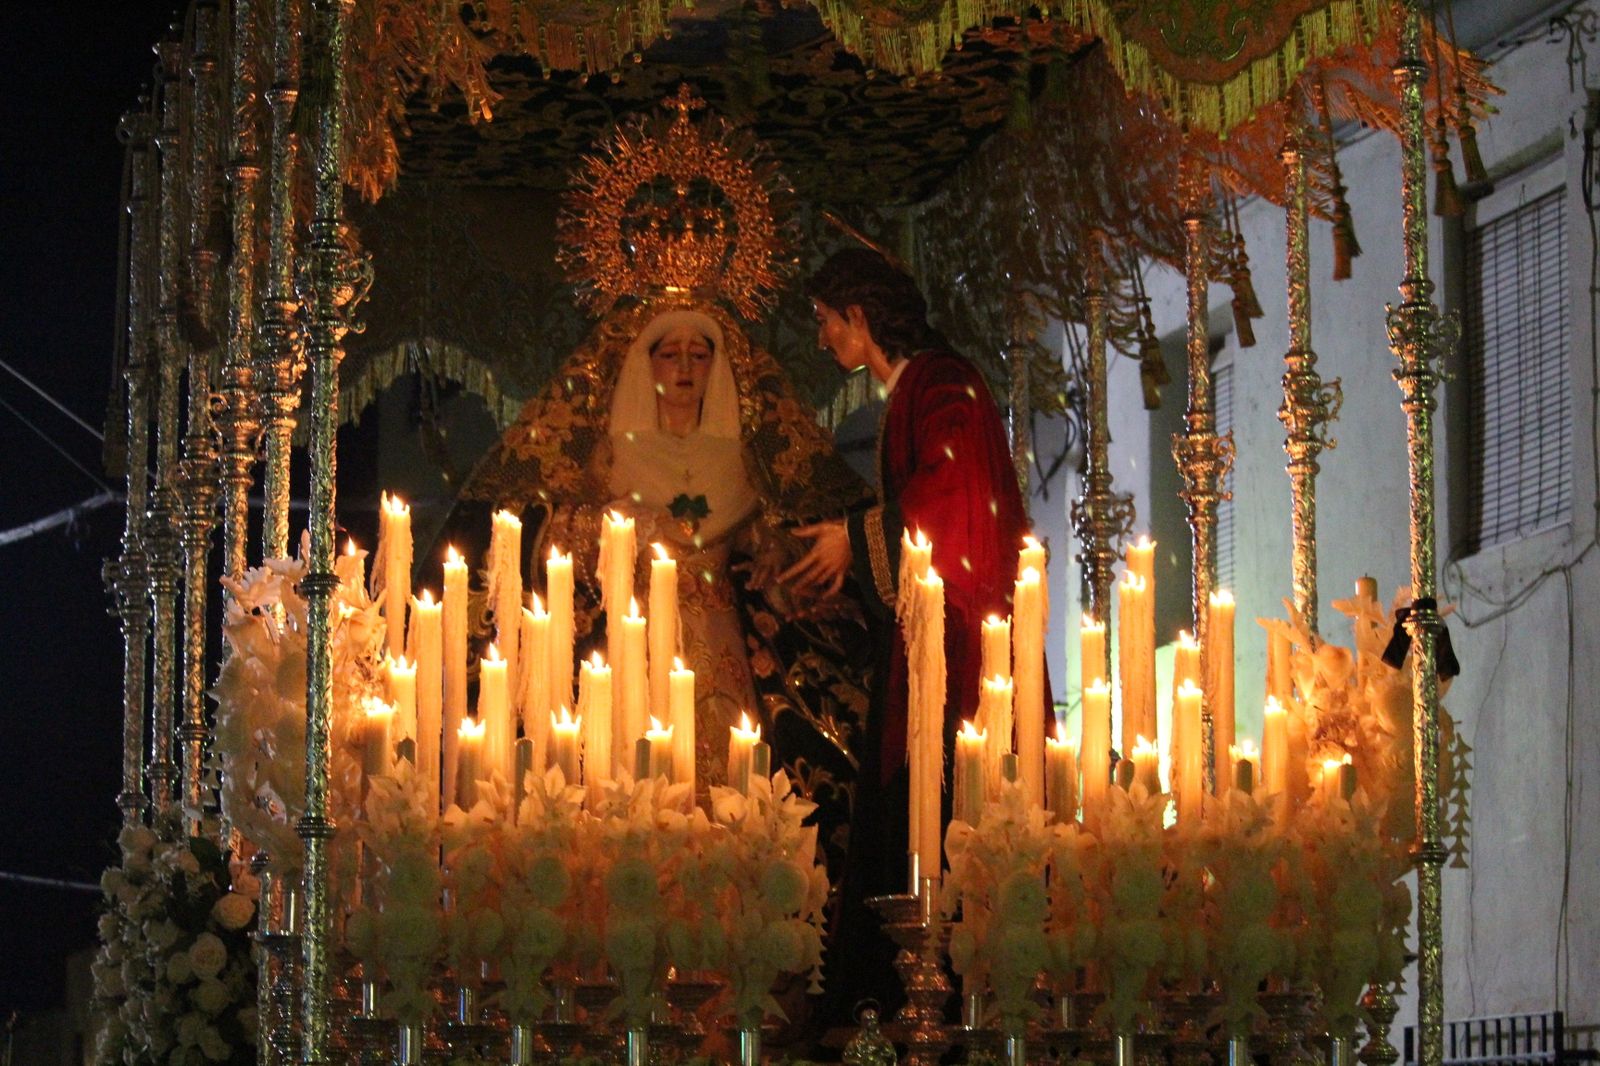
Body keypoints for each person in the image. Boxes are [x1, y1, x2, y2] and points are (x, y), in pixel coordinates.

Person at [464, 299, 873, 796]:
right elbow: (555, 537)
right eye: (669, 355)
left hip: (720, 628)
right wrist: (617, 529)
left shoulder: (740, 459)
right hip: (634, 628)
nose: (684, 368)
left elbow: (762, 531)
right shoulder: (612, 455)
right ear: (646, 362)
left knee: (734, 762)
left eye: (699, 356)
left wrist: (772, 551)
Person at [781, 247, 1033, 1019]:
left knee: (941, 800)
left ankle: (935, 1008)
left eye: (826, 320)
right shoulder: (917, 388)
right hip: (927, 631)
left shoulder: (942, 383)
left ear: (859, 315)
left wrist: (855, 542)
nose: (822, 338)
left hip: (956, 645)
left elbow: (955, 495)